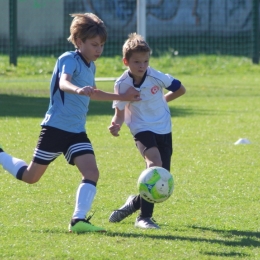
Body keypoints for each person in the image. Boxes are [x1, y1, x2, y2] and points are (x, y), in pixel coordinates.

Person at [0, 13, 140, 233]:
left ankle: (78, 221)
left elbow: (93, 94)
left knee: (91, 173)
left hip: (76, 132)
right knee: (31, 177)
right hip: (55, 128)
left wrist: (124, 97)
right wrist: (78, 89)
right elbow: (64, 83)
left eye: (101, 45)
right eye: (94, 44)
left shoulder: (90, 67)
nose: (99, 50)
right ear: (78, 41)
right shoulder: (68, 59)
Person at [108, 33, 186, 229]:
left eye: (145, 61)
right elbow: (119, 112)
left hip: (163, 127)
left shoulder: (155, 76)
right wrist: (115, 124)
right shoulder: (122, 84)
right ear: (126, 61)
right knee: (154, 164)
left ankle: (132, 204)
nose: (142, 66)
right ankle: (143, 218)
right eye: (136, 62)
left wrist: (163, 101)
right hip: (140, 127)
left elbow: (180, 89)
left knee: (162, 180)